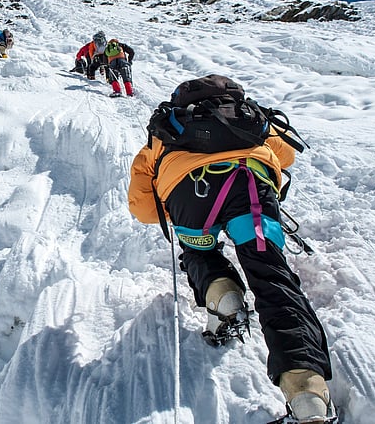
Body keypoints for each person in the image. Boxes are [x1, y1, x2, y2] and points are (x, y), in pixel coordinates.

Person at [127, 75, 334, 423]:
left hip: (190, 194)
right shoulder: (247, 116)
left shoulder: (166, 129)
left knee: (200, 252)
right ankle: (307, 394)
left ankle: (222, 297)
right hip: (250, 185)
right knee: (270, 274)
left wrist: (172, 205)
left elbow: (144, 210)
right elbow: (285, 156)